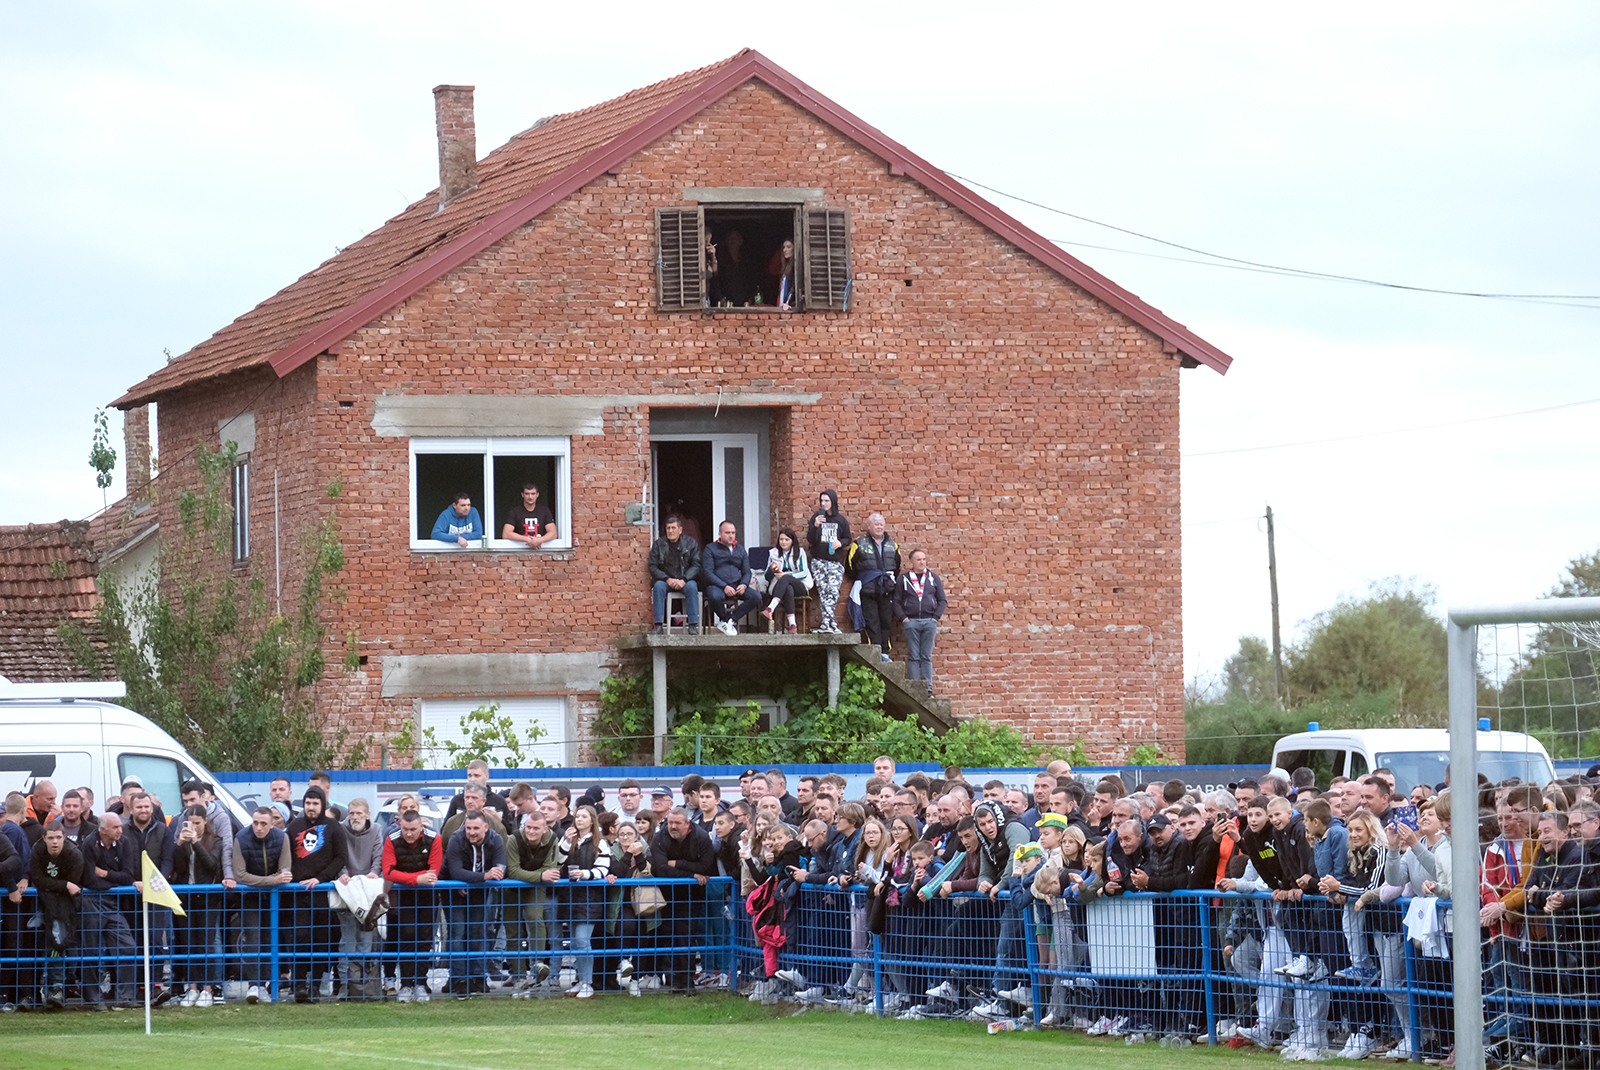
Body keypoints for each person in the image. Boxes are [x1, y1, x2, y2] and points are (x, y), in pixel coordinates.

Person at [284, 787, 349, 1003]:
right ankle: (300, 983)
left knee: (323, 939)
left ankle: (315, 984)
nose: (311, 807)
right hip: (298, 894)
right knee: (300, 938)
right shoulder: (293, 827)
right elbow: (286, 857)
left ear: (322, 804)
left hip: (323, 894)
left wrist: (321, 878)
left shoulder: (333, 828)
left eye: (315, 803)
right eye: (308, 803)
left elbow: (341, 857)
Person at [650, 807, 717, 992]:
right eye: (670, 822)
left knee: (686, 938)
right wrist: (691, 873)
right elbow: (661, 869)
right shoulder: (660, 836)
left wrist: (678, 864)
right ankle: (673, 980)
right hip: (665, 896)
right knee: (669, 937)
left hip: (692, 896)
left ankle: (687, 980)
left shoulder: (701, 837)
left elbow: (706, 866)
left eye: (677, 823)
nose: (672, 826)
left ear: (687, 823)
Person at [233, 806, 293, 1004]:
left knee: (270, 939)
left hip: (274, 898)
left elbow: (285, 870)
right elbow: (240, 874)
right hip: (250, 897)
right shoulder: (241, 837)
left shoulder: (282, 838)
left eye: (263, 824)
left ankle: (266, 984)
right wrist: (271, 881)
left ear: (272, 824)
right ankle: (253, 985)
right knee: (252, 938)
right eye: (255, 822)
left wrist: (271, 881)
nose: (258, 827)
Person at [382, 809, 443, 1003]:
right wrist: (416, 878)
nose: (409, 833)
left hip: (428, 895)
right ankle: (406, 984)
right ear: (400, 824)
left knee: (425, 939)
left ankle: (421, 983)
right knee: (406, 936)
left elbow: (433, 873)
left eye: (413, 829)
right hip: (404, 895)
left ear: (421, 827)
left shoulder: (435, 838)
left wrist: (413, 878)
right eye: (405, 829)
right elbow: (388, 871)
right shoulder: (391, 839)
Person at [444, 809, 506, 997]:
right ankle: (459, 979)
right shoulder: (456, 838)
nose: (471, 832)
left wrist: (473, 880)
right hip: (453, 890)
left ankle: (478, 978)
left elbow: (501, 868)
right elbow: (455, 871)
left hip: (479, 891)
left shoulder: (496, 840)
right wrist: (483, 876)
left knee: (477, 932)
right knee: (457, 933)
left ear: (485, 827)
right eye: (468, 828)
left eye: (476, 828)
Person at [79, 810, 139, 1008]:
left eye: (120, 827)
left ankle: (125, 997)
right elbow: (89, 879)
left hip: (113, 902)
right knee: (91, 951)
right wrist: (115, 879)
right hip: (91, 901)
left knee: (128, 946)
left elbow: (128, 876)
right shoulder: (89, 843)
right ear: (102, 829)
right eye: (115, 827)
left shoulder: (125, 843)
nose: (120, 830)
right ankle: (93, 999)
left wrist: (104, 874)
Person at [171, 805, 225, 1007]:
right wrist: (179, 845)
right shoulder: (183, 842)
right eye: (189, 823)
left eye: (197, 823)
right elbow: (177, 868)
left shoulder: (215, 841)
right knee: (188, 944)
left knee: (207, 944)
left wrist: (197, 843)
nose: (193, 827)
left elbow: (212, 865)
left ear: (205, 822)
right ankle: (192, 988)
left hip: (208, 899)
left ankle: (208, 989)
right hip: (186, 898)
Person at [506, 809, 563, 994]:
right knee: (512, 931)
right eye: (528, 827)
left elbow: (551, 869)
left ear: (544, 829)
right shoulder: (514, 839)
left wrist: (540, 876)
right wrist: (540, 875)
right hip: (511, 887)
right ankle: (519, 977)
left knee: (534, 917)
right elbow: (513, 870)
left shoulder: (553, 840)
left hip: (536, 887)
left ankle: (537, 966)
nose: (530, 831)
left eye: (535, 828)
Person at [28, 822, 82, 1011]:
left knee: (62, 944)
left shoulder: (74, 854)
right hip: (42, 904)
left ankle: (61, 988)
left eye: (58, 837)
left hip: (67, 907)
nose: (55, 842)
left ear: (64, 837)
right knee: (43, 945)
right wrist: (64, 884)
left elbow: (75, 883)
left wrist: (62, 886)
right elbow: (37, 879)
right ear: (44, 839)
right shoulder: (37, 850)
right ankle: (45, 990)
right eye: (50, 838)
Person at [557, 804, 609, 998]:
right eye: (577, 816)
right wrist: (565, 842)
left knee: (582, 940)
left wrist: (585, 874)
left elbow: (603, 869)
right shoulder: (568, 839)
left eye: (583, 816)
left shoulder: (600, 842)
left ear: (592, 820)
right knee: (574, 942)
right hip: (569, 897)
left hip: (590, 897)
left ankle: (588, 982)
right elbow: (558, 861)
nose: (579, 820)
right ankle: (580, 979)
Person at [335, 798, 385, 1001]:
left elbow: (378, 856)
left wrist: (374, 872)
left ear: (367, 814)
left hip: (367, 892)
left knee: (366, 942)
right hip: (347, 891)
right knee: (347, 941)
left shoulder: (376, 830)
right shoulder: (340, 829)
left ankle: (363, 986)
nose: (354, 817)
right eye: (351, 813)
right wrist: (343, 873)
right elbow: (338, 854)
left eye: (358, 813)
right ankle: (345, 985)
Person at [848, 512, 900, 662]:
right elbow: (850, 566)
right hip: (868, 589)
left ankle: (884, 652)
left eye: (881, 524)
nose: (879, 527)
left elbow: (896, 566)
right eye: (876, 524)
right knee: (871, 621)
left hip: (887, 590)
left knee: (886, 620)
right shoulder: (858, 543)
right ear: (869, 526)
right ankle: (875, 650)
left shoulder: (893, 544)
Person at [894, 548, 947, 695]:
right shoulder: (903, 579)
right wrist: (904, 619)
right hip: (911, 622)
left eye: (924, 559)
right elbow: (896, 602)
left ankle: (928, 689)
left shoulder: (933, 578)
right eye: (918, 559)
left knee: (926, 656)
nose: (922, 562)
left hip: (929, 621)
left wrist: (935, 618)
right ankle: (916, 688)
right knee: (914, 655)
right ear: (911, 561)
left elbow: (942, 600)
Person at [701, 521, 761, 635]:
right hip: (717, 585)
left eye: (733, 533)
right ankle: (724, 618)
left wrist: (743, 584)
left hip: (737, 584)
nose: (731, 535)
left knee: (756, 596)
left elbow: (746, 571)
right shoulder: (710, 548)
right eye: (727, 533)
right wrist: (724, 586)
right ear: (719, 534)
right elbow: (707, 572)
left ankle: (730, 620)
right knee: (715, 596)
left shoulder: (740, 549)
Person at [648, 514, 703, 634]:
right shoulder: (659, 544)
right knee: (658, 587)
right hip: (666, 581)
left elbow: (696, 565)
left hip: (685, 580)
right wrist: (667, 579)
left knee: (692, 587)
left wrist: (684, 579)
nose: (670, 531)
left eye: (673, 528)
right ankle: (658, 625)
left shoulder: (691, 543)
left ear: (680, 529)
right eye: (668, 528)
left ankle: (693, 625)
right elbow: (652, 566)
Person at [806, 490, 851, 635]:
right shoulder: (817, 518)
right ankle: (829, 623)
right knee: (823, 591)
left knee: (833, 592)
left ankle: (827, 623)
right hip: (819, 561)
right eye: (822, 501)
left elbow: (848, 539)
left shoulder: (840, 520)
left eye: (826, 501)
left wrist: (840, 543)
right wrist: (815, 525)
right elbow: (810, 539)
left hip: (835, 562)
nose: (824, 504)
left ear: (833, 502)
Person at [761, 528, 811, 634]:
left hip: (800, 585)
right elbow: (766, 577)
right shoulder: (773, 553)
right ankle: (793, 625)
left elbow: (804, 572)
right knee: (788, 588)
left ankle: (770, 608)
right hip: (779, 586)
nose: (783, 542)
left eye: (786, 540)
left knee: (786, 578)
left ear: (792, 541)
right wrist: (772, 570)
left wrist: (787, 575)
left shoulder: (800, 552)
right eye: (781, 539)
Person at [502, 482, 558, 547]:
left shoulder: (544, 511)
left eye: (533, 494)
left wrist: (539, 540)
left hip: (541, 551)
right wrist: (527, 539)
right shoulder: (515, 511)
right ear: (522, 495)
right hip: (519, 550)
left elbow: (553, 533)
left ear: (537, 494)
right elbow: (506, 534)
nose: (530, 497)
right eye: (527, 494)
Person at [768, 238, 796, 310]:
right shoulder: (785, 267)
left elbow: (794, 286)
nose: (784, 250)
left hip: (788, 307)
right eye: (783, 247)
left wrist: (787, 302)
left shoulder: (795, 267)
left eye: (788, 247)